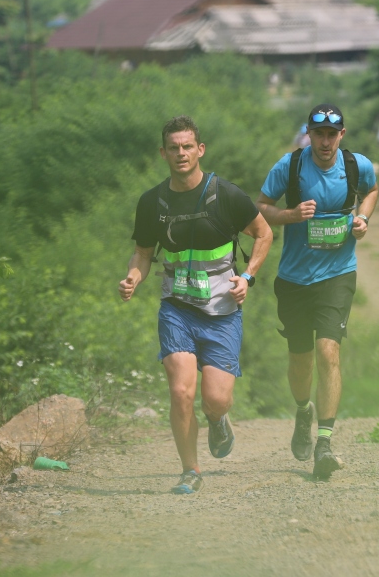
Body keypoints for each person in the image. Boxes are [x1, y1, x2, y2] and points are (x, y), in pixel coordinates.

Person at [119, 116, 273, 495]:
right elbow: (142, 254)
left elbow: (264, 233)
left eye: (188, 146)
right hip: (177, 307)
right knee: (180, 391)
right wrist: (133, 278)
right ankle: (191, 470)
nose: (181, 153)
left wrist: (248, 277)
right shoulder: (152, 202)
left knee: (216, 399)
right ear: (163, 153)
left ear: (200, 150)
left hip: (222, 311)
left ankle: (218, 420)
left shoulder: (226, 195)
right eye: (174, 147)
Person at [256, 103, 379, 480]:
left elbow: (372, 192)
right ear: (309, 134)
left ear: (342, 135)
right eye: (318, 134)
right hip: (294, 278)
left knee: (329, 351)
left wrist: (362, 219)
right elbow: (260, 208)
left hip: (337, 274)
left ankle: (324, 443)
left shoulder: (357, 165)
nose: (325, 142)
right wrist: (291, 216)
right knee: (301, 358)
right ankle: (303, 410)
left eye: (332, 135)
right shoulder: (290, 167)